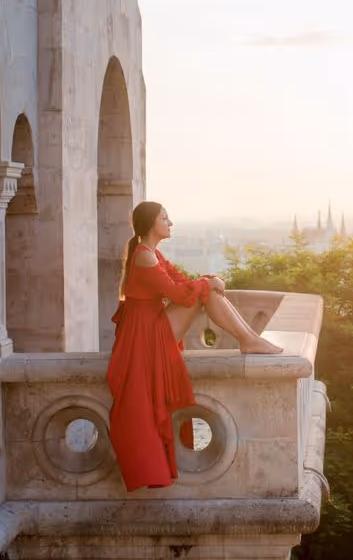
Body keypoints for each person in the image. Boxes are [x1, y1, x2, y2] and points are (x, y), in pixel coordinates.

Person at [106, 201, 281, 492]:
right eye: (165, 218)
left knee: (208, 291)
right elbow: (180, 294)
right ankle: (249, 340)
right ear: (152, 224)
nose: (170, 222)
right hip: (143, 334)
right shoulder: (145, 257)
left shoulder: (153, 254)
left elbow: (183, 283)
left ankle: (249, 338)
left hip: (149, 326)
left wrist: (207, 281)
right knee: (207, 293)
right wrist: (208, 283)